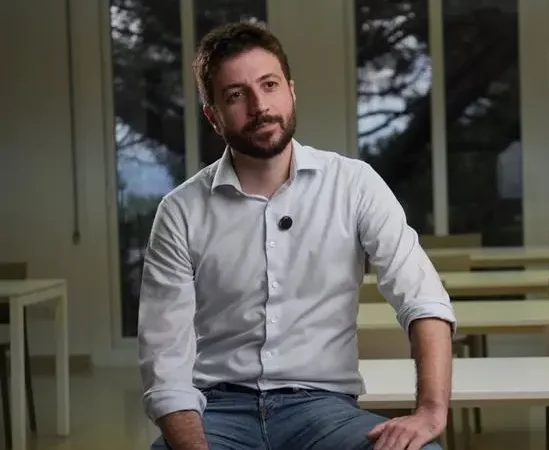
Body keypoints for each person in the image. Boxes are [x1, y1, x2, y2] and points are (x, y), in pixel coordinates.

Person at [137, 21, 457, 450]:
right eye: (236, 95)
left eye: (269, 85)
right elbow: (165, 362)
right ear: (213, 116)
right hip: (218, 412)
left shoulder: (354, 184)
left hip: (324, 409)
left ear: (290, 90)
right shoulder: (180, 211)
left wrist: (431, 412)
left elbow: (423, 300)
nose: (259, 106)